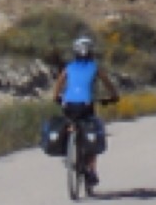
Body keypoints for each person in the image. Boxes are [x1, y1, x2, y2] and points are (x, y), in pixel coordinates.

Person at [50, 35, 120, 191]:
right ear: (91, 52)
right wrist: (114, 96)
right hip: (85, 106)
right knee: (93, 130)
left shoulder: (69, 67)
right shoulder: (95, 67)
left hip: (68, 105)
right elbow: (107, 83)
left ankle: (69, 150)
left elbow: (59, 83)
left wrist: (56, 97)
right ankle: (91, 169)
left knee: (70, 123)